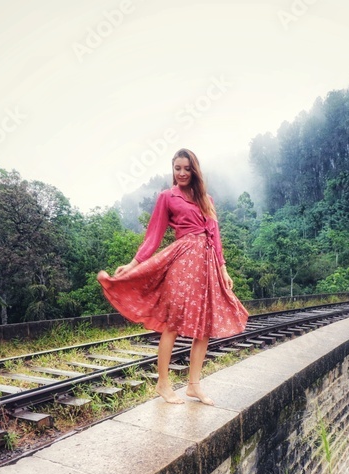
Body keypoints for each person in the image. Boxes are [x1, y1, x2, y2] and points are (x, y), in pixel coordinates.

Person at [98, 149, 249, 405]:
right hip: (182, 263)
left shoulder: (206, 199)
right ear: (173, 169)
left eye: (186, 168)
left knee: (204, 328)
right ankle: (163, 384)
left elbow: (215, 237)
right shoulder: (167, 197)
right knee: (173, 323)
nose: (181, 173)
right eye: (177, 168)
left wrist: (223, 269)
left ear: (194, 171)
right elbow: (153, 236)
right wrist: (134, 263)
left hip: (207, 266)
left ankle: (194, 386)